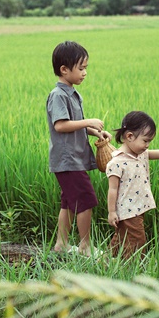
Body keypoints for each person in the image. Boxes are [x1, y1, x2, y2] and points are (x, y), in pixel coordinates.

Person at [46, 41, 111, 256]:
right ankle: (85, 246)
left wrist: (95, 131)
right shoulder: (58, 95)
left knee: (68, 203)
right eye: (81, 68)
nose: (84, 73)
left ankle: (61, 245)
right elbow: (61, 125)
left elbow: (75, 125)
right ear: (64, 70)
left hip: (74, 158)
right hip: (67, 159)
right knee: (85, 200)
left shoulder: (73, 93)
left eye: (86, 68)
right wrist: (88, 121)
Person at [106, 111, 159, 259]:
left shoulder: (141, 154)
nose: (147, 145)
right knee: (138, 240)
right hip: (128, 210)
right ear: (129, 136)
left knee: (122, 236)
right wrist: (112, 212)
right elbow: (112, 189)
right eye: (145, 141)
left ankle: (108, 259)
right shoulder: (117, 163)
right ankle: (136, 266)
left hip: (138, 207)